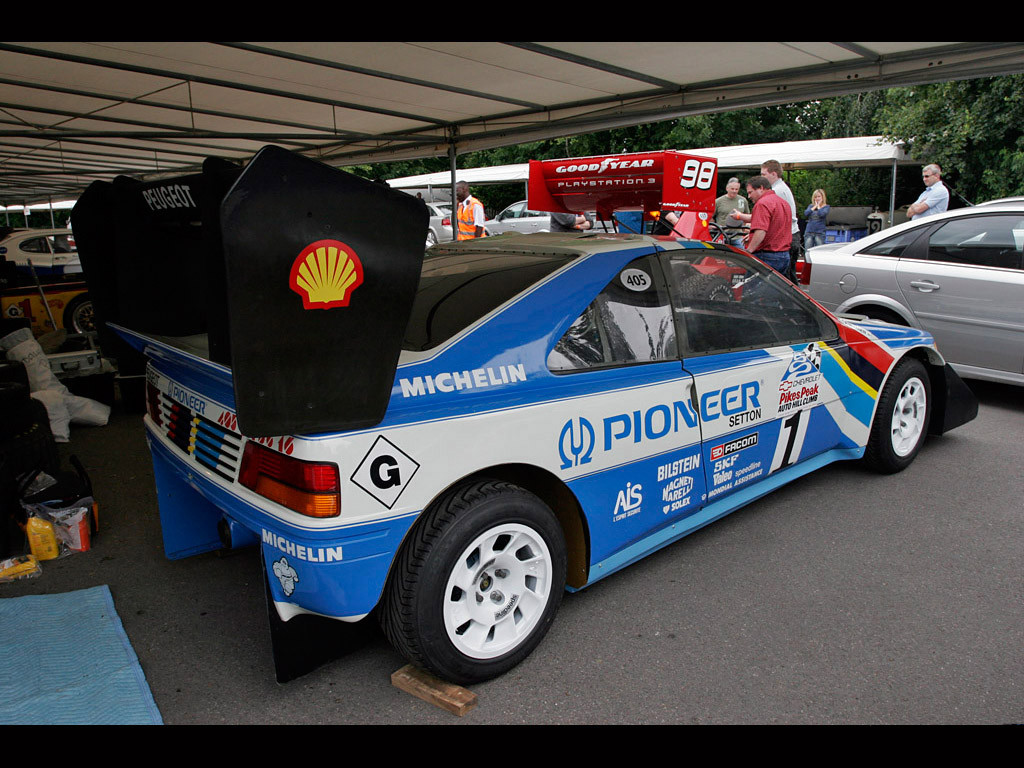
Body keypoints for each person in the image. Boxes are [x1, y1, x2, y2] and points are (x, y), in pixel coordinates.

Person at [743, 175, 792, 276]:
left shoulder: (762, 203)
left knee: (752, 290)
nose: (749, 196)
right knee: (775, 290)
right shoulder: (784, 203)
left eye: (750, 192)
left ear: (761, 188)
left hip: (766, 255)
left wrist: (749, 251)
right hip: (784, 255)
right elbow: (778, 228)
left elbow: (761, 230)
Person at [714, 177, 749, 246]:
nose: (734, 191)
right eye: (732, 189)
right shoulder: (718, 201)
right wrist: (716, 227)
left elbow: (747, 216)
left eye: (736, 189)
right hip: (722, 235)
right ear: (727, 188)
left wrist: (745, 228)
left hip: (738, 236)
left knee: (742, 254)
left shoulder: (743, 200)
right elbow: (711, 216)